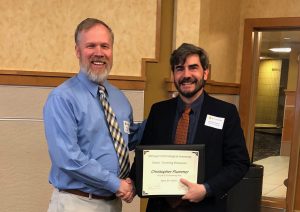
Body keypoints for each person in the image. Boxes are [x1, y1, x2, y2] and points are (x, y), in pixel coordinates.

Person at [130, 43, 250, 212]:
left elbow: (239, 163)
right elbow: (144, 155)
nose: (186, 75)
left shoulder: (225, 113)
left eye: (193, 68)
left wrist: (207, 189)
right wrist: (132, 182)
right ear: (173, 75)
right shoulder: (158, 111)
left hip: (206, 207)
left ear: (205, 72)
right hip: (161, 208)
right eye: (180, 69)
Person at [44, 18, 142, 212]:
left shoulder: (119, 98)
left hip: (113, 204)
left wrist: (167, 115)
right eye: (91, 46)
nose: (99, 53)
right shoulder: (62, 98)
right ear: (78, 51)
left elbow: (128, 139)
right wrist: (116, 184)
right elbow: (68, 158)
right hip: (77, 203)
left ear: (112, 51)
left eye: (105, 46)